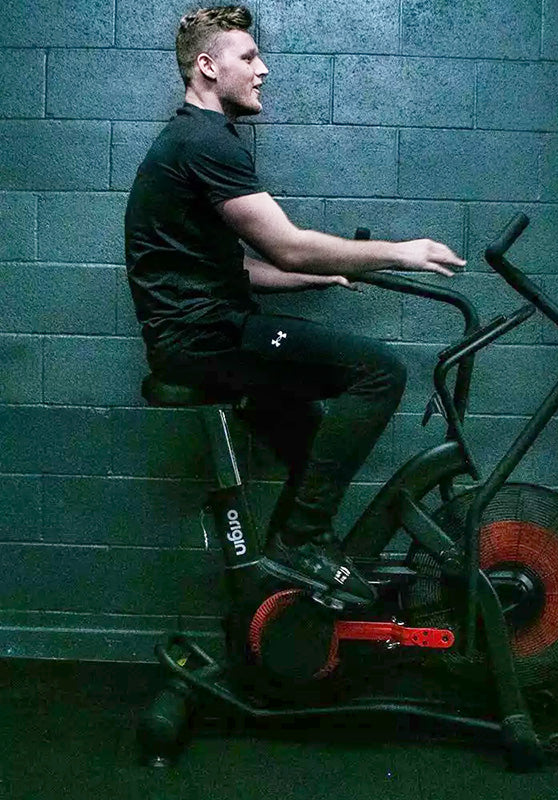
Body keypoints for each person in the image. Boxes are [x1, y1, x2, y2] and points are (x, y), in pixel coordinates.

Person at [124, 5, 465, 609]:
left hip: (203, 333)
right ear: (208, 67)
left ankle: (286, 575)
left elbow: (234, 268)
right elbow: (286, 245)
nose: (263, 70)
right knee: (380, 372)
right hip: (207, 340)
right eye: (249, 57)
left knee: (313, 438)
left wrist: (320, 276)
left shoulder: (192, 139)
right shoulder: (205, 142)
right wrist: (398, 252)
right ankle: (301, 539)